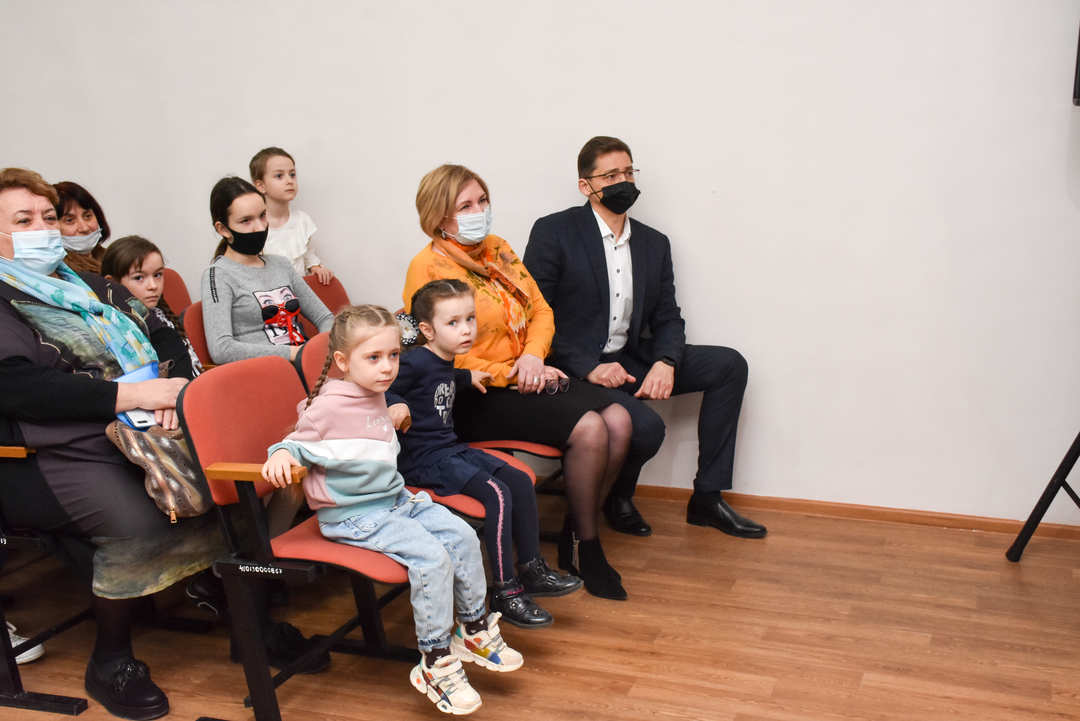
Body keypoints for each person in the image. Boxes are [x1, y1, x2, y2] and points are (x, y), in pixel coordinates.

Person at [0, 167, 224, 719]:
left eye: (48, 217)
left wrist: (174, 391)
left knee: (226, 496)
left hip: (143, 424)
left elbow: (164, 330)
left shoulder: (88, 283)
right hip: (47, 449)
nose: (44, 229)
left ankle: (250, 625)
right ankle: (111, 660)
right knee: (140, 523)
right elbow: (18, 387)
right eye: (24, 220)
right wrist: (136, 395)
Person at [262, 304, 523, 716]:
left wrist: (392, 410)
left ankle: (473, 627)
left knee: (462, 535)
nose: (387, 367)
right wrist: (279, 454)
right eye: (373, 357)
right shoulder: (329, 407)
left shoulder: (374, 392)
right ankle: (435, 660)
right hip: (353, 515)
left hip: (395, 501)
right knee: (431, 558)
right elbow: (296, 439)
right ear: (343, 362)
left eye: (393, 355)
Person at [403, 164, 633, 601]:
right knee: (590, 427)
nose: (479, 211)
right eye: (465, 206)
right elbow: (437, 352)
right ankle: (588, 548)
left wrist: (533, 357)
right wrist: (513, 372)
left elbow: (541, 310)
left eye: (482, 200)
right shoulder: (426, 267)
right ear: (438, 217)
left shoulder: (498, 249)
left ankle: (576, 535)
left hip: (526, 374)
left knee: (619, 419)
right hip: (476, 392)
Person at [524, 136, 767, 539]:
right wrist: (589, 368)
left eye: (628, 172)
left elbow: (668, 316)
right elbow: (536, 315)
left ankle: (707, 498)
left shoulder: (654, 243)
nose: (623, 182)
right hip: (575, 366)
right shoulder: (554, 232)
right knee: (647, 428)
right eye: (611, 176)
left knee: (729, 365)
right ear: (586, 186)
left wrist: (666, 362)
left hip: (632, 356)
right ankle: (617, 497)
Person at [390, 280, 582, 628]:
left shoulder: (442, 358)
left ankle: (532, 568)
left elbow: (440, 377)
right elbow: (382, 387)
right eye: (453, 323)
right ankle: (505, 590)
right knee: (497, 493)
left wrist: (466, 377)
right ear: (427, 330)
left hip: (449, 448)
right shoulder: (414, 361)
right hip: (423, 461)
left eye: (469, 319)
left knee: (519, 479)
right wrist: (394, 403)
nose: (466, 329)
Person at [200, 176, 333, 365]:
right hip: (268, 372)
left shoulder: (281, 265)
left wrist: (321, 350)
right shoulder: (218, 275)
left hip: (307, 363)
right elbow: (222, 349)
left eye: (262, 215)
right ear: (223, 229)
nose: (260, 227)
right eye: (246, 221)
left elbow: (325, 318)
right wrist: (295, 353)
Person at [101, 235, 203, 380]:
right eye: (139, 277)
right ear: (112, 283)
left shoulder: (160, 315)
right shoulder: (114, 328)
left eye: (158, 275)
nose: (153, 286)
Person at [249, 147, 334, 284]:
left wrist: (316, 267)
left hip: (300, 292)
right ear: (261, 186)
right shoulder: (255, 227)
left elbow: (307, 254)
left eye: (292, 174)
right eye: (279, 176)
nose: (289, 181)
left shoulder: (302, 220)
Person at [54, 181, 111, 273]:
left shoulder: (112, 259)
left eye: (87, 216)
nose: (84, 228)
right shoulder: (59, 271)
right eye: (69, 220)